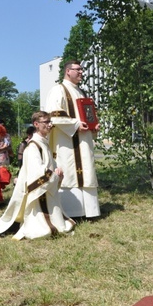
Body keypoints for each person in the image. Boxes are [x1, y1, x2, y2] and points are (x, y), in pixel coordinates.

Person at [0, 112, 76, 239]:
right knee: (43, 229)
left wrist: (57, 170)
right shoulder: (33, 145)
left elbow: (49, 162)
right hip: (38, 192)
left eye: (50, 122)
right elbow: (37, 171)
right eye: (46, 122)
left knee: (58, 223)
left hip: (47, 190)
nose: (50, 125)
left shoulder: (43, 142)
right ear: (36, 124)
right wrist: (53, 175)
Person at [45, 60, 100, 219]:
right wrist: (75, 124)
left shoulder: (81, 92)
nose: (81, 72)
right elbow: (53, 114)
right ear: (68, 71)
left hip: (83, 141)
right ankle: (72, 212)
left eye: (82, 70)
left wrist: (92, 126)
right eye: (78, 70)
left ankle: (89, 211)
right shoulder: (58, 90)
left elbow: (87, 115)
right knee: (69, 172)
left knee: (87, 171)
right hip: (67, 143)